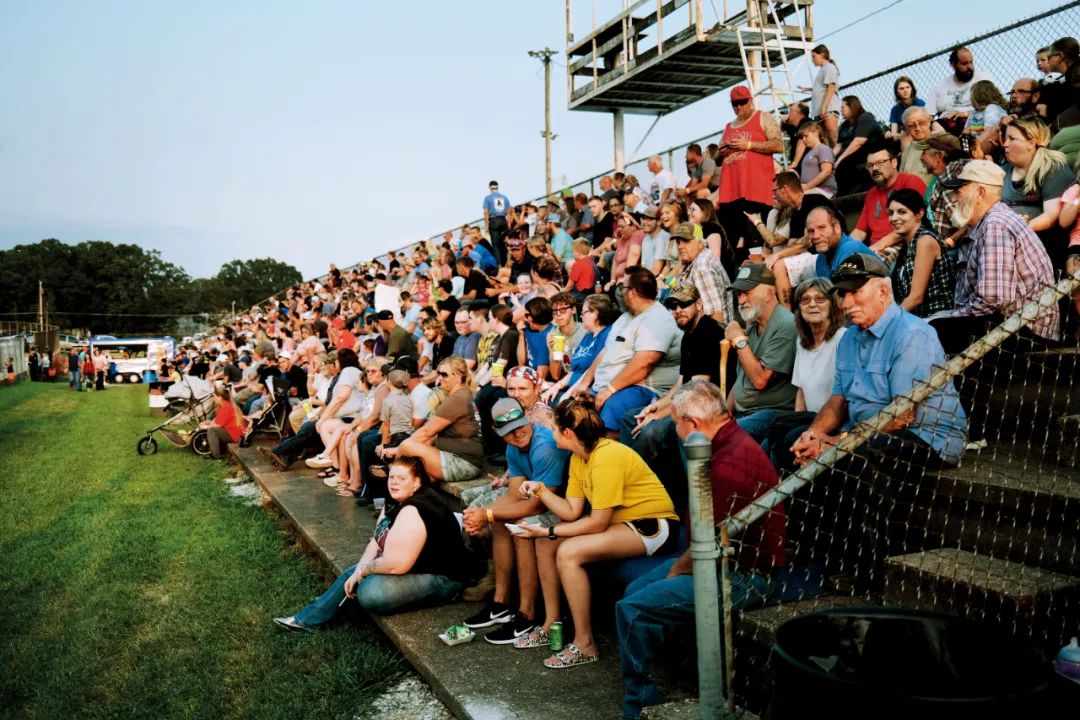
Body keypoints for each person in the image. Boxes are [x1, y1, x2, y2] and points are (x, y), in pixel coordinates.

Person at [789, 254, 967, 587]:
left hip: (927, 435)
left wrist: (837, 442)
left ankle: (868, 570)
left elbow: (901, 416)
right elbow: (838, 400)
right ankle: (819, 553)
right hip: (868, 432)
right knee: (796, 436)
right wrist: (814, 436)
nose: (847, 301)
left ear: (883, 291)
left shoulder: (913, 334)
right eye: (842, 293)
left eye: (857, 292)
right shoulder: (850, 338)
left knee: (858, 457)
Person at [615, 380, 785, 720]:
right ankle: (690, 671)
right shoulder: (726, 443)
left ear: (692, 424)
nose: (675, 429)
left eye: (676, 422)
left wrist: (675, 570)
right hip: (723, 561)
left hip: (745, 575)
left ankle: (639, 703)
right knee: (636, 588)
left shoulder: (727, 464)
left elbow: (707, 548)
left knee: (632, 608)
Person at [513, 396, 679, 669]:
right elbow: (571, 512)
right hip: (622, 524)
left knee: (567, 551)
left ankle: (585, 643)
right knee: (546, 543)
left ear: (567, 433)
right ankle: (551, 625)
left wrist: (549, 529)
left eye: (554, 428)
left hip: (653, 525)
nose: (551, 432)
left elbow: (597, 523)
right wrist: (541, 490)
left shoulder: (607, 456)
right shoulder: (580, 457)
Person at [273, 456, 481, 628]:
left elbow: (396, 565)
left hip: (445, 578)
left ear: (416, 482)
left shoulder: (416, 508)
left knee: (371, 592)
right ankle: (309, 619)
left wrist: (363, 572)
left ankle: (311, 619)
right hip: (418, 567)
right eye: (391, 477)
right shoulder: (394, 499)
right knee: (357, 577)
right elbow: (376, 538)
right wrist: (359, 570)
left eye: (401, 478)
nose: (394, 482)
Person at [461, 398, 571, 643]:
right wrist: (479, 516)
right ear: (497, 432)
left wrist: (487, 514)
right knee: (501, 520)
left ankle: (527, 613)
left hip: (567, 506)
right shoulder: (512, 446)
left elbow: (539, 503)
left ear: (527, 419)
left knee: (521, 524)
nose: (517, 433)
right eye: (509, 431)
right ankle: (501, 603)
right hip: (542, 500)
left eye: (520, 426)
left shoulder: (544, 445)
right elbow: (513, 494)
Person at [931, 159, 1060, 350]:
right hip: (1008, 323)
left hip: (1024, 332)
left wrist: (950, 317)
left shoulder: (995, 225)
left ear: (980, 193)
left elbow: (993, 299)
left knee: (931, 331)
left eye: (959, 192)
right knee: (929, 327)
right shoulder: (987, 223)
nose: (954, 199)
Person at [572, 267, 682, 434]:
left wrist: (609, 390)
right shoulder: (625, 317)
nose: (620, 292)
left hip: (641, 388)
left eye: (622, 287)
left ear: (632, 292)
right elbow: (606, 351)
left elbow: (644, 363)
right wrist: (585, 383)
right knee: (571, 413)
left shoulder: (657, 318)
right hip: (609, 386)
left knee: (610, 412)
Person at [766, 278, 846, 471]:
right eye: (805, 300)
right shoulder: (802, 343)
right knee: (770, 441)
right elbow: (801, 391)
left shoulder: (842, 338)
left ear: (832, 304)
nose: (812, 304)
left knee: (786, 444)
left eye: (820, 299)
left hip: (833, 423)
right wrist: (797, 421)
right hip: (809, 420)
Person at [725, 264, 798, 443]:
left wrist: (738, 341)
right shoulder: (753, 327)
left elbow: (760, 380)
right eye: (738, 294)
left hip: (773, 414)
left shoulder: (786, 324)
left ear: (768, 292)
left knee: (721, 437)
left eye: (746, 292)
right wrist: (725, 412)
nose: (740, 300)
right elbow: (741, 379)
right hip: (745, 413)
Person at [385, 356, 484, 483]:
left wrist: (398, 450)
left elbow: (426, 431)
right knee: (415, 477)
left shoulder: (457, 398)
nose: (440, 378)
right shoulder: (461, 395)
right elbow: (432, 435)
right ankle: (401, 491)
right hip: (461, 459)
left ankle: (391, 472)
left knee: (407, 446)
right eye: (439, 374)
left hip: (463, 463)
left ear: (459, 377)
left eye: (444, 375)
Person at [716, 86, 784, 253]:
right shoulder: (728, 127)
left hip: (756, 190)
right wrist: (721, 151)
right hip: (731, 192)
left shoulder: (763, 117)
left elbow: (779, 144)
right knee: (729, 242)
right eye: (735, 104)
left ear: (750, 101)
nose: (739, 107)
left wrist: (749, 145)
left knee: (756, 240)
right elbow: (717, 160)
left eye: (742, 103)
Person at [999, 117, 1074, 268]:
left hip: (1042, 242)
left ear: (1031, 143)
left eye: (1012, 138)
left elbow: (1051, 216)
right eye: (1005, 138)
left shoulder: (1052, 168)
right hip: (1004, 239)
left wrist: (1017, 230)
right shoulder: (1003, 170)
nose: (1005, 144)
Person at [886, 188, 957, 317]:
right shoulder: (907, 245)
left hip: (937, 317)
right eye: (891, 213)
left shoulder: (925, 241)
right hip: (918, 319)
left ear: (919, 213)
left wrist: (888, 321)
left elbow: (916, 298)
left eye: (902, 212)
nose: (894, 218)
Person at [542, 293, 620, 404]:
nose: (558, 315)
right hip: (572, 385)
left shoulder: (606, 334)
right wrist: (557, 386)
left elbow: (593, 370)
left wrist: (567, 394)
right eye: (554, 312)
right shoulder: (585, 336)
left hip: (588, 391)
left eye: (563, 310)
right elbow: (561, 374)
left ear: (597, 313)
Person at [851, 145, 928, 249]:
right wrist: (846, 248)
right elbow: (860, 231)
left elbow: (913, 223)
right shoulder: (871, 194)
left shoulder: (910, 182)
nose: (875, 168)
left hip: (902, 245)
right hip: (875, 250)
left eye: (880, 163)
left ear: (894, 163)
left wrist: (878, 246)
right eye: (870, 165)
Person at [673, 222, 734, 324]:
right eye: (678, 242)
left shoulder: (702, 266)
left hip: (709, 334)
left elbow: (715, 315)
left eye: (686, 241)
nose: (680, 246)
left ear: (700, 243)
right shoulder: (692, 259)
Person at [924, 46, 992, 132]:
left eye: (971, 62)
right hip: (948, 124)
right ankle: (950, 144)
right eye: (964, 64)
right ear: (953, 64)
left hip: (975, 120)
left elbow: (994, 105)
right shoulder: (940, 86)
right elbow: (928, 114)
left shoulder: (983, 79)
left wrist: (965, 114)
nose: (969, 67)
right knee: (935, 126)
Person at [833, 96, 883, 195]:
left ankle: (845, 194)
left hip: (868, 151)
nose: (841, 110)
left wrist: (840, 159)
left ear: (852, 107)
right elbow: (839, 145)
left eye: (843, 107)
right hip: (853, 153)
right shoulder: (844, 125)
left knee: (844, 163)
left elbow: (858, 142)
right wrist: (830, 159)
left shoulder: (865, 118)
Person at [803, 44, 841, 146]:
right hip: (821, 111)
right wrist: (807, 89)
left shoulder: (829, 67)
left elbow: (831, 87)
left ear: (822, 55)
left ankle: (837, 158)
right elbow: (821, 88)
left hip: (828, 110)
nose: (812, 60)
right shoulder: (823, 70)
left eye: (814, 56)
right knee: (825, 140)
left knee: (832, 138)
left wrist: (824, 108)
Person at [200, 385, 247, 459]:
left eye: (215, 396)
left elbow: (218, 425)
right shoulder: (225, 405)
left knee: (212, 431)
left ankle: (216, 456)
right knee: (212, 428)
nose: (214, 399)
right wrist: (208, 422)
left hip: (236, 434)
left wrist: (205, 426)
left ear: (220, 397)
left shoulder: (226, 407)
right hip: (234, 432)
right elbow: (216, 421)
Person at [797, 121, 837, 197]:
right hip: (811, 190)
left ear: (815, 132)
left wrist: (807, 186)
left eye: (806, 136)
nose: (804, 140)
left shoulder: (823, 148)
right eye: (802, 137)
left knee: (797, 197)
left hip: (825, 190)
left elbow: (826, 171)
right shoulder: (808, 153)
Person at [886, 75, 926, 142]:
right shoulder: (895, 110)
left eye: (908, 87)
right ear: (897, 93)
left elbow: (924, 124)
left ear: (912, 89)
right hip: (904, 137)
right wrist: (892, 135)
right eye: (901, 88)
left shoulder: (920, 103)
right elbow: (894, 132)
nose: (905, 90)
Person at [484, 180, 511, 265]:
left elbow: (486, 212)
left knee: (496, 245)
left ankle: (500, 265)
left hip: (494, 221)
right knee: (505, 243)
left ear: (490, 188)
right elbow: (509, 211)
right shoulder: (504, 197)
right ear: (497, 187)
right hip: (503, 220)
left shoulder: (487, 198)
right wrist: (509, 223)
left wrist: (486, 225)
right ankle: (508, 261)